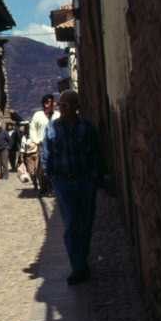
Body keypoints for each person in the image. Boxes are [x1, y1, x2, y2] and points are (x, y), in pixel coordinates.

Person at [41, 90, 102, 285]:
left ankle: (82, 261)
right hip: (64, 183)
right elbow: (47, 155)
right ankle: (78, 267)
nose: (63, 107)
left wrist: (95, 177)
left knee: (85, 223)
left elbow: (96, 153)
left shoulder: (87, 128)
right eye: (61, 104)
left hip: (85, 182)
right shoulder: (51, 129)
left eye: (67, 104)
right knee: (71, 225)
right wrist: (51, 177)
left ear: (77, 106)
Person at [29, 94, 59, 197]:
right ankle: (43, 187)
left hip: (55, 145)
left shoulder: (57, 115)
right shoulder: (38, 115)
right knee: (42, 168)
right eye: (52, 102)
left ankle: (52, 188)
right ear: (46, 104)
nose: (55, 104)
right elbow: (32, 129)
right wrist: (36, 141)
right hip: (42, 145)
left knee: (54, 167)